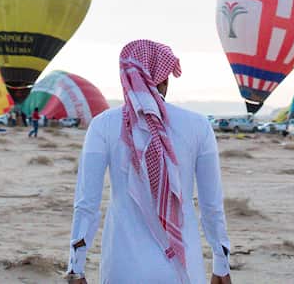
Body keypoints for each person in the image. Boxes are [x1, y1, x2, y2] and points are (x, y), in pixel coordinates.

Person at [66, 39, 232, 284]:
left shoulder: (103, 125)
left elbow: (86, 204)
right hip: (183, 269)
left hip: (123, 268)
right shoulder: (198, 125)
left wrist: (76, 267)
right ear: (164, 79)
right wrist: (221, 263)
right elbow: (212, 205)